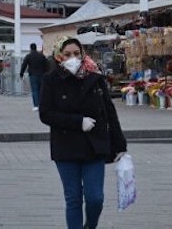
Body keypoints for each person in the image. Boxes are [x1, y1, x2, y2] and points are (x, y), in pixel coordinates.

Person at [39, 38, 127, 229]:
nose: (73, 58)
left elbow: (110, 112)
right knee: (73, 198)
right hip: (66, 147)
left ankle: (91, 225)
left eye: (76, 54)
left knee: (95, 197)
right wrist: (78, 122)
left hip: (94, 146)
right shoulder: (51, 80)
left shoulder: (95, 79)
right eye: (68, 54)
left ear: (83, 54)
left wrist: (120, 144)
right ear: (59, 56)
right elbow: (45, 114)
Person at [20, 42, 48, 111]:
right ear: (36, 48)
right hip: (42, 75)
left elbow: (24, 65)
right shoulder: (42, 56)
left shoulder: (29, 56)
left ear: (30, 48)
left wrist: (21, 73)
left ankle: (36, 105)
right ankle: (42, 105)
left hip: (33, 75)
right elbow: (46, 65)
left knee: (35, 90)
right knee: (41, 90)